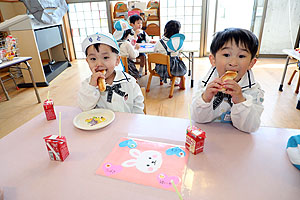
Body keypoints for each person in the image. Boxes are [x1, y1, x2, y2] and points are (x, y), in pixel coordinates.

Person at [191, 28, 264, 133]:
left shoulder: (254, 91)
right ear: (213, 60)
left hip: (238, 139)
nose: (233, 62)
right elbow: (197, 119)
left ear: (251, 63)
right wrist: (206, 98)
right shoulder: (205, 84)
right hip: (209, 135)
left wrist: (240, 100)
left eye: (241, 56)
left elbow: (251, 127)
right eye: (226, 55)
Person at [78, 32, 144, 114]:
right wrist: (92, 87)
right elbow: (84, 107)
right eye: (93, 59)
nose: (99, 64)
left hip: (126, 124)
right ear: (87, 61)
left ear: (117, 60)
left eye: (105, 57)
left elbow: (138, 107)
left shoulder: (129, 81)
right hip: (100, 124)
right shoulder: (87, 84)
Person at [153, 20, 186, 88]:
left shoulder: (159, 42)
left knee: (167, 61)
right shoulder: (179, 43)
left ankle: (172, 80)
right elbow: (180, 53)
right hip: (174, 69)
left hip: (160, 69)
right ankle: (176, 80)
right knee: (179, 62)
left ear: (165, 29)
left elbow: (155, 53)